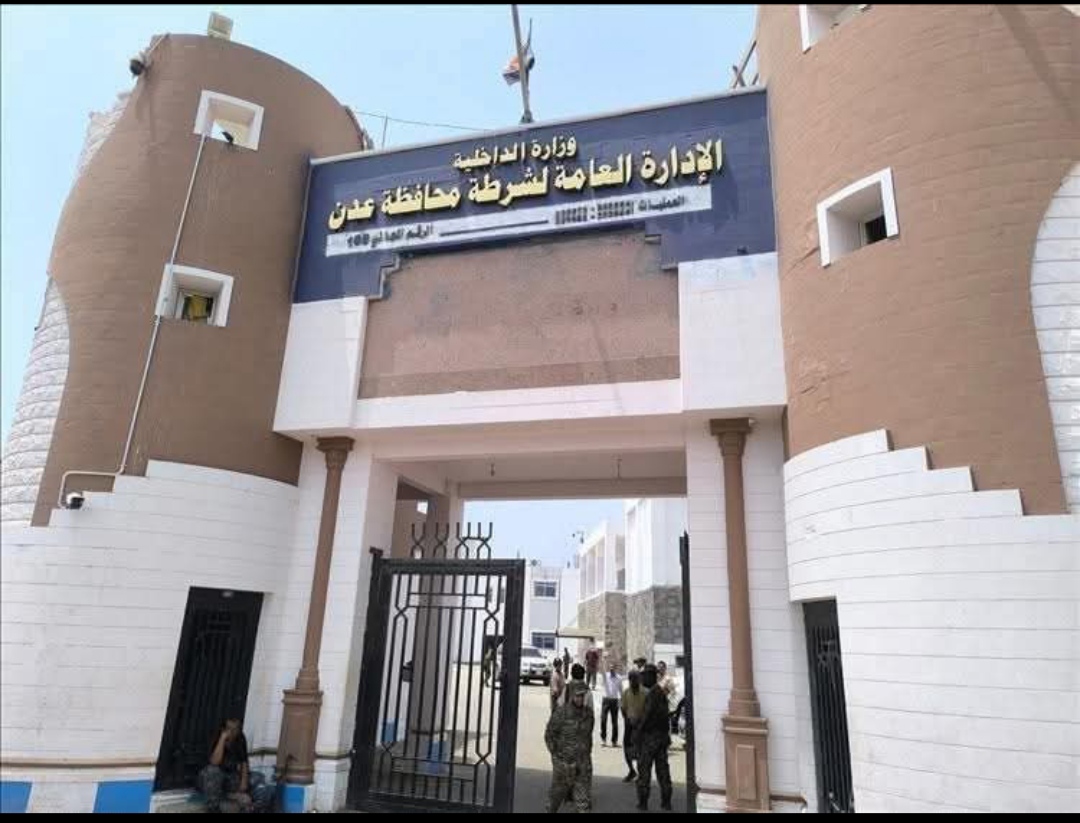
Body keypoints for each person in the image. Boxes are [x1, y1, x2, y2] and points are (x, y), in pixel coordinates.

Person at [198, 717, 273, 813]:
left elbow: (244, 761)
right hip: (213, 780)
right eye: (229, 728)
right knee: (212, 771)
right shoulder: (216, 737)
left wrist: (243, 782)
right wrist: (222, 739)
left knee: (258, 777)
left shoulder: (240, 738)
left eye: (235, 729)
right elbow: (214, 762)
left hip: (231, 777)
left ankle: (252, 808)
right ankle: (214, 806)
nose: (232, 732)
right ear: (224, 729)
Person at [544, 679, 594, 813]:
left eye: (582, 695)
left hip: (582, 765)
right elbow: (549, 735)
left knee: (583, 804)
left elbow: (588, 737)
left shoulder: (588, 714)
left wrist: (586, 759)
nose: (580, 699)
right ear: (572, 695)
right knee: (555, 799)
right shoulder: (561, 713)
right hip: (564, 765)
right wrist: (557, 758)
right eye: (577, 695)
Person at [633, 665, 673, 811]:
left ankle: (643, 802)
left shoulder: (653, 694)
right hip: (661, 739)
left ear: (651, 676)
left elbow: (646, 717)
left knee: (644, 771)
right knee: (663, 771)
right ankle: (666, 802)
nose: (642, 679)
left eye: (644, 676)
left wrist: (637, 732)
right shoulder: (659, 693)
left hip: (650, 739)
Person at [620, 669, 647, 783]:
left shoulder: (645, 692)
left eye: (635, 679)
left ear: (639, 680)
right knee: (627, 749)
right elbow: (623, 708)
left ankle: (642, 774)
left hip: (642, 726)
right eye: (631, 680)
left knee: (641, 751)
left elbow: (648, 710)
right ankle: (631, 770)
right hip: (629, 725)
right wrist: (627, 720)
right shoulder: (626, 692)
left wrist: (641, 722)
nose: (633, 682)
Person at [600, 663, 622, 747]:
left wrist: (621, 701)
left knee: (614, 721)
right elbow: (602, 670)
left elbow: (621, 690)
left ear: (615, 669)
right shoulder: (606, 676)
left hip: (614, 700)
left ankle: (614, 740)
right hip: (606, 700)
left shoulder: (619, 678)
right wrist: (603, 660)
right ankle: (603, 739)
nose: (612, 669)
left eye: (613, 668)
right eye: (610, 668)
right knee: (603, 719)